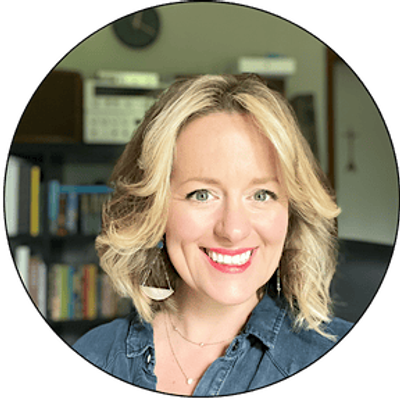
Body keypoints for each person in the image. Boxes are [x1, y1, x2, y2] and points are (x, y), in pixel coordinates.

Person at [73, 74, 352, 396]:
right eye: (202, 195)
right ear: (153, 209)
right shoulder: (96, 354)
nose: (233, 230)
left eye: (261, 195)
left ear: (291, 213)